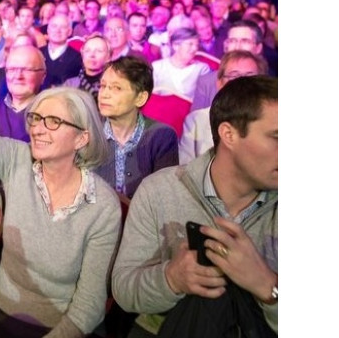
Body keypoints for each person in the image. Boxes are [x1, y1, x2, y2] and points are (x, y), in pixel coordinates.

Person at [0, 11, 123, 338]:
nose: (37, 128)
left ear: (82, 138)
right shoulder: (17, 160)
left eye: (53, 122)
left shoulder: (102, 205)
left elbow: (90, 305)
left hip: (62, 326)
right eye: (36, 119)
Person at [111, 75, 278, 336]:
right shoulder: (161, 190)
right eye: (277, 136)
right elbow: (124, 292)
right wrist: (171, 279)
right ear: (229, 134)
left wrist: (269, 287)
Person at [95, 56, 179, 198]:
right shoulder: (87, 134)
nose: (104, 94)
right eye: (103, 86)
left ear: (140, 98)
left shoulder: (162, 136)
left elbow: (164, 196)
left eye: (116, 88)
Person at [179, 50, 268, 164]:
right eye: (234, 75)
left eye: (249, 76)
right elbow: (184, 170)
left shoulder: (274, 120)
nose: (241, 83)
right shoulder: (197, 120)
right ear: (219, 83)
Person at [191, 19, 269, 111]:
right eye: (232, 41)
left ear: (258, 48)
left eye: (245, 41)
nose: (237, 47)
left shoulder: (269, 84)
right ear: (226, 46)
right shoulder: (206, 82)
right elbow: (195, 122)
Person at [0, 45, 46, 142]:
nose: (18, 76)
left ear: (43, 76)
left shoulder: (53, 115)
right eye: (12, 69)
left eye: (27, 69)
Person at [151, 27, 211, 101]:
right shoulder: (157, 67)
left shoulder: (202, 69)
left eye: (197, 45)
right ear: (175, 45)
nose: (195, 48)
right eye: (190, 44)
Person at [63, 33, 112, 104]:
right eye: (87, 51)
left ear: (109, 57)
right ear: (82, 55)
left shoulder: (113, 85)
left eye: (99, 51)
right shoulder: (70, 84)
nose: (92, 55)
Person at [40, 13, 83, 86]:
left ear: (70, 32)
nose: (58, 30)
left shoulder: (77, 58)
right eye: (54, 26)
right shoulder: (38, 53)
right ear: (48, 30)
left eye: (63, 27)